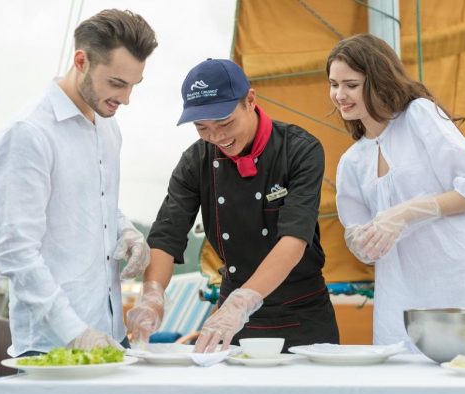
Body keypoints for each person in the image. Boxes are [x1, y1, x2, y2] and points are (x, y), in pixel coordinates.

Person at [328, 33, 465, 359]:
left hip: (463, 279)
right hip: (403, 294)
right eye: (333, 84)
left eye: (351, 84)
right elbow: (362, 247)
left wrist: (408, 211)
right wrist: (362, 239)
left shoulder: (419, 115)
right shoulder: (352, 162)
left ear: (377, 80)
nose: (339, 95)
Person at [126, 58, 339, 352]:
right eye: (202, 128)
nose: (217, 137)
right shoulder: (195, 162)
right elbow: (166, 234)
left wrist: (243, 301)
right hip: (231, 321)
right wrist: (152, 295)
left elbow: (294, 238)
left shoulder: (300, 149)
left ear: (250, 100)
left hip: (301, 313)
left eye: (225, 123)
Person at [0, 9, 157, 357]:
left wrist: (125, 231)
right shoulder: (28, 134)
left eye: (133, 85)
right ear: (81, 60)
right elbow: (15, 251)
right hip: (54, 346)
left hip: (111, 337)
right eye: (117, 83)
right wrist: (75, 332)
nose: (126, 99)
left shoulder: (109, 127)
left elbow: (96, 202)